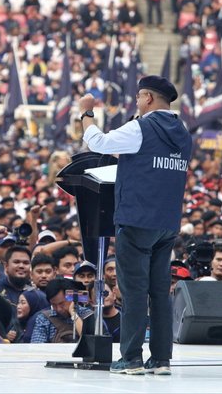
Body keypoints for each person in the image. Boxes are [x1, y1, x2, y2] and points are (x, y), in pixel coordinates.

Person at [80, 75, 192, 375]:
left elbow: (99, 143)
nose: (138, 103)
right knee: (159, 293)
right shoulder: (182, 132)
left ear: (149, 98)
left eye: (140, 97)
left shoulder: (141, 127)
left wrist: (86, 114)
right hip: (166, 223)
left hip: (136, 220)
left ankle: (130, 358)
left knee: (133, 291)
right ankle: (161, 359)